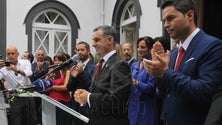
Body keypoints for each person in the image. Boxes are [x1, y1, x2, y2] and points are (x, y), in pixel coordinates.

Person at [142, 0, 222, 125]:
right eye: (164, 21)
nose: (166, 25)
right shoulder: (174, 53)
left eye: (170, 18)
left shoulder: (212, 46)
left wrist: (165, 72)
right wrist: (158, 73)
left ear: (189, 16)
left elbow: (206, 92)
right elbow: (166, 92)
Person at [74, 25, 132, 125]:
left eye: (97, 40)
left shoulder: (120, 65)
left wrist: (88, 97)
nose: (93, 44)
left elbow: (117, 101)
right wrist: (83, 98)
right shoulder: (98, 66)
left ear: (110, 40)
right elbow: (98, 91)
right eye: (93, 40)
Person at [0, 46, 36, 125]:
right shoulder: (2, 68)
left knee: (30, 119)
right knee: (16, 120)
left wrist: (16, 70)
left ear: (18, 54)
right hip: (14, 96)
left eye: (12, 53)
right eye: (8, 54)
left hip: (28, 93)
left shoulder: (25, 62)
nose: (10, 55)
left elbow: (29, 73)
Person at [128, 36, 157, 125]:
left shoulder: (154, 65)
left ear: (150, 49)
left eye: (143, 47)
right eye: (138, 47)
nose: (139, 49)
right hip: (134, 105)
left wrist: (136, 82)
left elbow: (151, 88)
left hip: (147, 106)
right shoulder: (134, 65)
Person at [66, 41, 96, 125]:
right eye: (78, 50)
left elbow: (91, 87)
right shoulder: (74, 66)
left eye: (82, 50)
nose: (79, 52)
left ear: (88, 51)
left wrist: (82, 73)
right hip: (74, 106)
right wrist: (73, 77)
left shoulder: (94, 67)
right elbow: (69, 87)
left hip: (86, 107)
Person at [45, 53, 71, 125]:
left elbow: (65, 87)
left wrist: (52, 87)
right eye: (55, 60)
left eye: (59, 60)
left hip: (63, 102)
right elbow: (45, 86)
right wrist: (49, 76)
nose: (57, 62)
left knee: (61, 122)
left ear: (64, 61)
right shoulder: (53, 72)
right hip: (51, 101)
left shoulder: (67, 71)